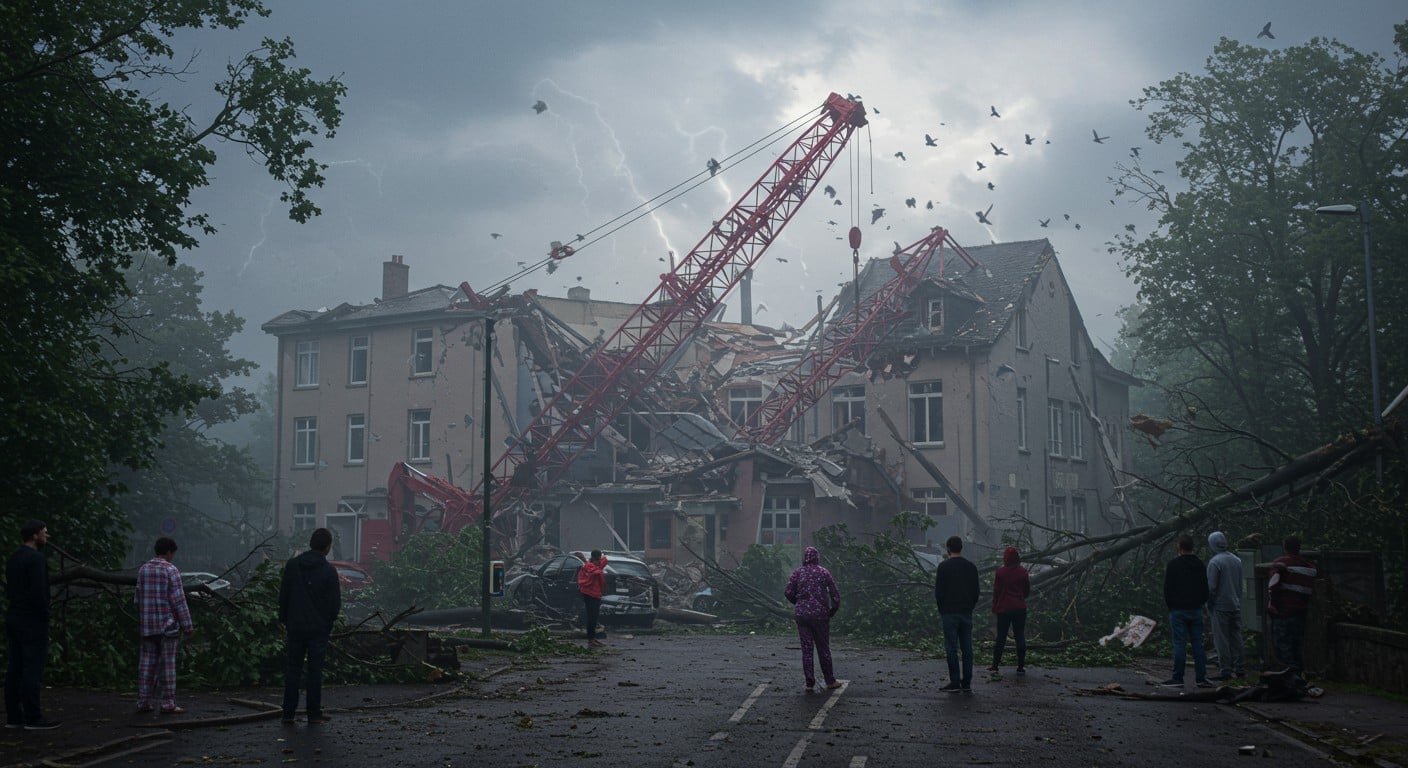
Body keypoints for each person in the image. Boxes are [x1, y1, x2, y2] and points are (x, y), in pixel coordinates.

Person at [279, 527, 341, 724]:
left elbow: (284, 596)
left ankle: (288, 713)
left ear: (311, 544)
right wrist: (327, 623)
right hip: (318, 629)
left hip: (295, 626)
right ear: (327, 547)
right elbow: (334, 604)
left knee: (293, 669)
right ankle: (313, 713)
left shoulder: (293, 565)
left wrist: (285, 620)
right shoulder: (329, 571)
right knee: (315, 671)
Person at [5, 520, 59, 730]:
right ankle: (33, 717)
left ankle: (14, 717)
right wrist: (45, 614)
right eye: (44, 532)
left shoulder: (14, 557)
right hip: (32, 619)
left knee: (15, 667)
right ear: (35, 535)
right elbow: (39, 591)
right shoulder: (36, 559)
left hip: (14, 615)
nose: (47, 536)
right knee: (32, 668)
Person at [135, 537, 195, 714]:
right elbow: (179, 601)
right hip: (167, 627)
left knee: (146, 666)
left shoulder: (143, 570)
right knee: (167, 666)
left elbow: (137, 599)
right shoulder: (171, 570)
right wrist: (188, 626)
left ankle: (143, 702)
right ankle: (168, 703)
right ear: (169, 552)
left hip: (147, 626)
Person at [784, 546, 842, 693]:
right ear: (817, 558)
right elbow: (835, 595)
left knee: (807, 649)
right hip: (820, 616)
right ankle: (830, 680)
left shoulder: (798, 573)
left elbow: (788, 592)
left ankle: (809, 683)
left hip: (802, 616)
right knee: (823, 648)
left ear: (805, 558)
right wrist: (832, 610)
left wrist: (798, 603)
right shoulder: (824, 572)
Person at [1160, 534, 1212, 688]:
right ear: (1192, 547)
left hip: (1178, 610)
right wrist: (1200, 603)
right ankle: (1201, 678)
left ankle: (1177, 678)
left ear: (1179, 547)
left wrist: (1171, 605)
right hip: (1195, 609)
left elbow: (1167, 588)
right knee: (1198, 644)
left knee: (1179, 644)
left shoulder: (1173, 565)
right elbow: (1205, 588)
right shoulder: (1200, 564)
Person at [1267, 535, 1317, 681]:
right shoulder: (1309, 567)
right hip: (1300, 612)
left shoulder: (1281, 563)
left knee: (1283, 646)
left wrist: (1272, 603)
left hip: (1282, 612)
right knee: (1297, 645)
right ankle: (1298, 675)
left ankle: (1288, 677)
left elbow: (1273, 584)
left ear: (1285, 547)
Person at [933, 535, 979, 693]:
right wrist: (970, 606)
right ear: (961, 547)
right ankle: (967, 682)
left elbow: (939, 592)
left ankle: (954, 681)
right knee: (967, 648)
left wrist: (942, 609)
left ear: (948, 548)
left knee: (951, 648)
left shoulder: (943, 567)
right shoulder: (971, 567)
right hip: (966, 612)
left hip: (949, 612)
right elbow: (976, 592)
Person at [1205, 531, 1245, 681]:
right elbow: (1240, 584)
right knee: (1236, 637)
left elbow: (1211, 587)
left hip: (1220, 605)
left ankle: (1225, 670)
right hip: (1235, 604)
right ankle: (1240, 667)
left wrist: (1208, 603)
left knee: (1221, 639)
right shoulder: (1237, 560)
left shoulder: (1215, 562)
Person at [988, 545, 1030, 676]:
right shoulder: (1023, 572)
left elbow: (996, 591)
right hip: (1019, 607)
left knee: (1001, 636)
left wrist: (995, 606)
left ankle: (995, 665)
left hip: (1004, 608)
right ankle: (1021, 666)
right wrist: (1020, 597)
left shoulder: (1000, 572)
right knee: (1020, 635)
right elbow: (1026, 590)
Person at [577, 550, 607, 648]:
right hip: (590, 595)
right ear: (595, 558)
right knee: (592, 618)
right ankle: (591, 640)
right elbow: (595, 570)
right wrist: (585, 560)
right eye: (598, 559)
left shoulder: (593, 565)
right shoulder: (589, 567)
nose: (600, 562)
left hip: (596, 595)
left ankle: (592, 638)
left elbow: (603, 562)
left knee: (594, 618)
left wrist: (604, 556)